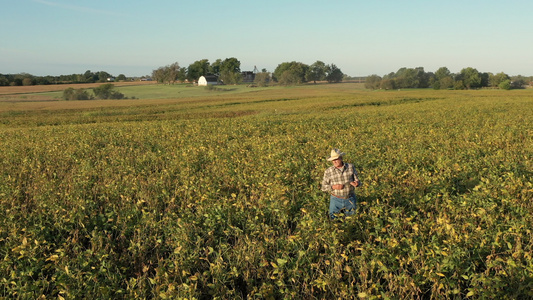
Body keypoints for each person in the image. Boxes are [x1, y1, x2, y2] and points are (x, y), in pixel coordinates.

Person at [321, 148, 361, 219]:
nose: (334, 161)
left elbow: (357, 180)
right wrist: (333, 187)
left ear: (341, 158)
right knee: (334, 221)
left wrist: (356, 183)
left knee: (351, 221)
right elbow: (323, 187)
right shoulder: (328, 171)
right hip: (335, 200)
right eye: (333, 160)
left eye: (336, 159)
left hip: (350, 199)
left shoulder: (350, 167)